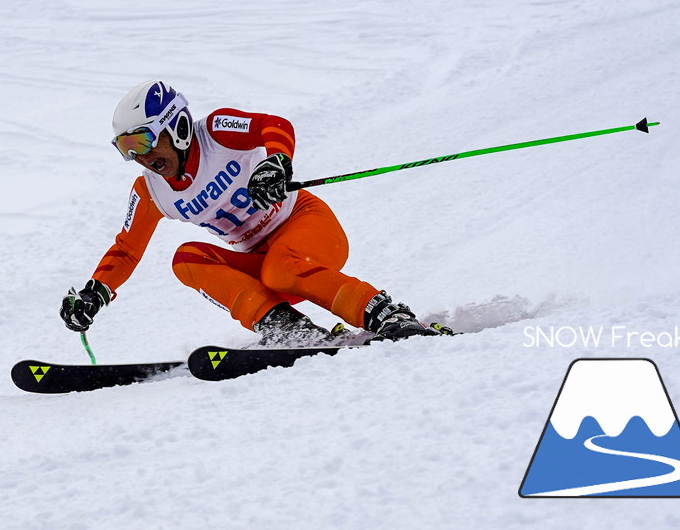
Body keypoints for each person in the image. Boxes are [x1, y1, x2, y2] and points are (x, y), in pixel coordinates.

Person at [59, 80, 447, 346]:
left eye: (143, 141)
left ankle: (384, 315)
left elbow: (272, 125)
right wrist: (97, 292)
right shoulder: (151, 190)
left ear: (174, 126)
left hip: (307, 227)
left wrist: (276, 162)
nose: (139, 157)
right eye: (126, 148)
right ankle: (287, 329)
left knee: (280, 267)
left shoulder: (215, 132)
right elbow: (126, 249)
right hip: (263, 263)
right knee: (186, 259)